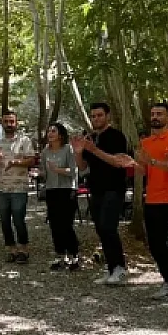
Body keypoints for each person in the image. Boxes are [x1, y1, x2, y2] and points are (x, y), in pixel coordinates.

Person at [131, 102, 168, 299]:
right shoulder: (146, 142)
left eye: (159, 114)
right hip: (151, 198)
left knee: (165, 242)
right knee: (154, 244)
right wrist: (133, 163)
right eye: (153, 113)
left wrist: (154, 162)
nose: (155, 117)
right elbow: (143, 170)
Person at [72, 102, 130, 285]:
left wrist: (94, 150)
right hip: (95, 188)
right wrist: (79, 152)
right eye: (93, 116)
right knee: (100, 229)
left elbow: (118, 162)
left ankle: (120, 268)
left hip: (114, 188)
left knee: (108, 227)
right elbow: (83, 167)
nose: (96, 119)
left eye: (99, 115)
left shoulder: (117, 136)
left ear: (108, 116)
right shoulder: (90, 138)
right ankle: (112, 267)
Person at [0, 109, 36, 264]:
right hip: (2, 187)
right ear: (2, 123)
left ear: (16, 123)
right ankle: (11, 249)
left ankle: (23, 248)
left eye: (12, 121)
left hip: (19, 187)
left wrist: (16, 162)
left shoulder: (24, 141)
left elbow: (32, 160)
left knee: (18, 219)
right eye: (6, 121)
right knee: (4, 220)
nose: (9, 124)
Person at [42, 122, 79, 270]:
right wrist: (38, 174)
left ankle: (74, 255)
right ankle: (60, 255)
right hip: (51, 189)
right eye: (48, 131)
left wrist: (58, 169)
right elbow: (44, 172)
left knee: (66, 224)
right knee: (54, 224)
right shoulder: (45, 152)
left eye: (53, 131)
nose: (50, 134)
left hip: (67, 189)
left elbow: (73, 171)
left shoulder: (68, 149)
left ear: (60, 135)